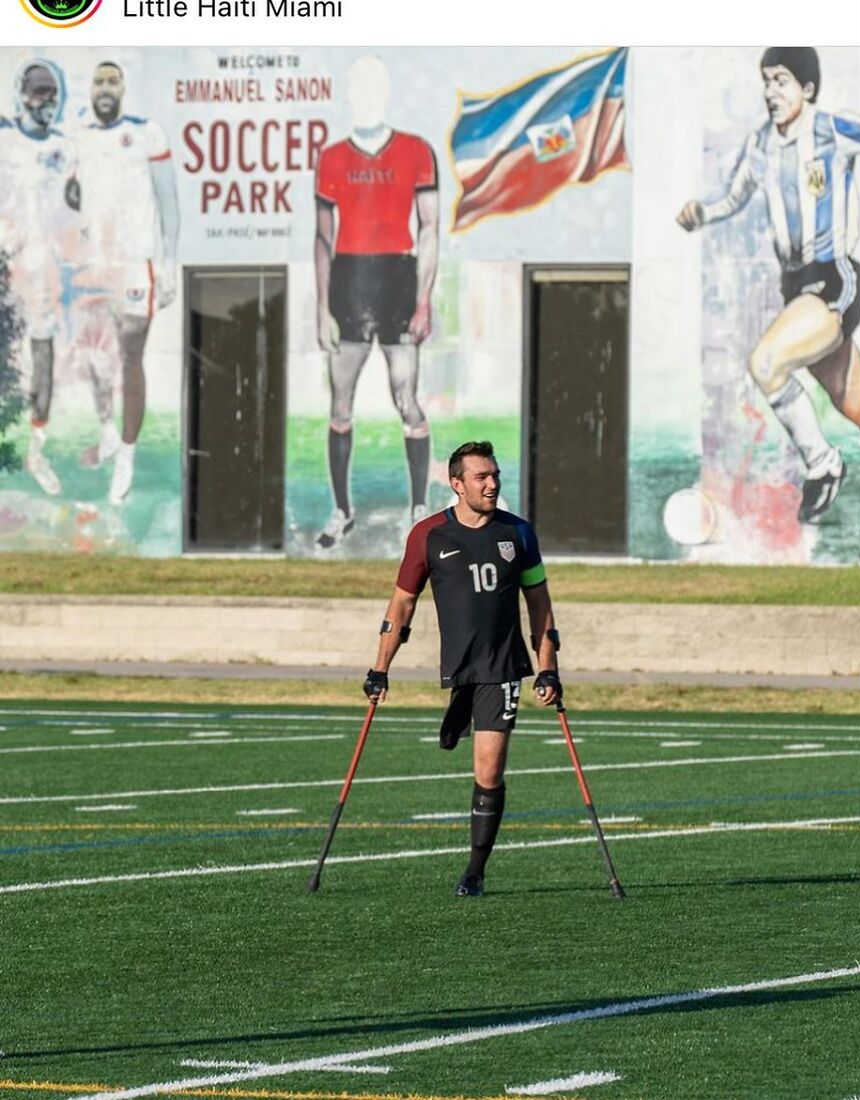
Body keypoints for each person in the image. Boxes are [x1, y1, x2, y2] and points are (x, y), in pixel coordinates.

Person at [677, 47, 860, 524]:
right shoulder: (761, 145)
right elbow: (734, 197)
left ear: (807, 88)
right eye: (766, 81)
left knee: (766, 363)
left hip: (834, 277)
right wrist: (702, 212)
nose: (771, 91)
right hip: (796, 287)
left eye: (781, 80)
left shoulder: (833, 129)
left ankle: (823, 464)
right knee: (857, 404)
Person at [363, 440, 562, 897]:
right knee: (464, 715)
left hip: (502, 666)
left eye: (495, 476)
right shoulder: (428, 535)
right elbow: (402, 604)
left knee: (489, 772)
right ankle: (459, 708)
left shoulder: (519, 533)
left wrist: (547, 668)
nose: (492, 484)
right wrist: (380, 669)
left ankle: (475, 871)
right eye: (481, 477)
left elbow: (540, 604)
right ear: (457, 484)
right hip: (458, 665)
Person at [313, 54, 439, 548]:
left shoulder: (416, 150)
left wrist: (423, 299)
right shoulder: (332, 158)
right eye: (357, 86)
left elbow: (429, 229)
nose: (365, 94)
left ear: (385, 92)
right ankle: (342, 511)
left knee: (405, 397)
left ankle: (419, 508)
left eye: (373, 85)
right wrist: (322, 307)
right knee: (340, 400)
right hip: (349, 279)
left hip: (397, 279)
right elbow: (323, 237)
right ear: (349, 94)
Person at [73, 60, 179, 505]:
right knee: (95, 353)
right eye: (98, 80)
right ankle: (107, 434)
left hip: (137, 262)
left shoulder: (146, 133)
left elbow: (168, 200)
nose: (105, 87)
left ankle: (127, 457)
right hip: (94, 263)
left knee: (131, 353)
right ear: (90, 89)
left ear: (122, 89)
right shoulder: (77, 137)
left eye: (112, 81)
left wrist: (170, 261)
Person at [0, 59, 77, 497]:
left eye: (51, 93)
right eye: (36, 91)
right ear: (21, 93)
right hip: (3, 264)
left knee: (42, 357)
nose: (44, 101)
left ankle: (36, 449)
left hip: (41, 270)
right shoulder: (4, 136)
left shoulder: (65, 149)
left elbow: (76, 209)